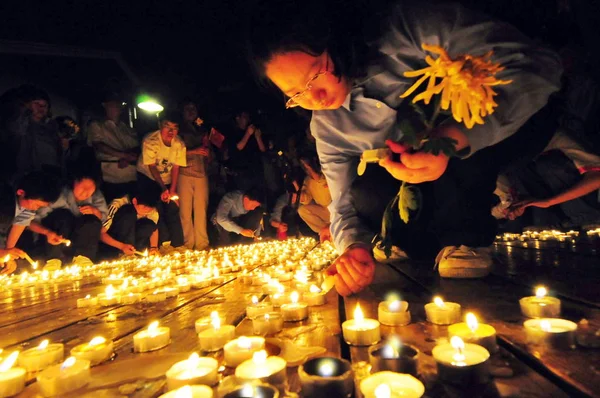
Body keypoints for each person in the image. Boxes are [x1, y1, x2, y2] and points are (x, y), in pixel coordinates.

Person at [248, 0, 562, 295]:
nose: (316, 98)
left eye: (316, 74)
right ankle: (414, 243)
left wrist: (455, 137)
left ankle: (465, 239)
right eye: (296, 94)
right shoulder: (328, 127)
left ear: (332, 39)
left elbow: (539, 67)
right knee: (366, 191)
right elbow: (341, 201)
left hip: (513, 125)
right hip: (421, 180)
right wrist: (353, 248)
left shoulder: (408, 30)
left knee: (446, 129)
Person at [500, 130, 600, 226]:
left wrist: (548, 202)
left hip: (588, 214)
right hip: (554, 218)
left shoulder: (556, 138)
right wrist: (520, 204)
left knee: (547, 163)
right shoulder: (513, 155)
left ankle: (586, 221)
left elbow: (596, 178)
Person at [35, 168, 108, 265]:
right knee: (62, 215)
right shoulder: (59, 195)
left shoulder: (96, 197)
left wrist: (95, 212)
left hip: (80, 242)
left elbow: (103, 222)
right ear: (74, 182)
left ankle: (83, 259)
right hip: (56, 240)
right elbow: (35, 219)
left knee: (91, 220)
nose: (85, 192)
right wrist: (47, 232)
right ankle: (54, 260)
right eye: (83, 187)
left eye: (90, 189)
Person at [136, 111, 185, 248]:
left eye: (174, 128)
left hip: (168, 178)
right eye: (167, 126)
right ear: (159, 125)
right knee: (157, 209)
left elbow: (176, 167)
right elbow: (151, 166)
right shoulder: (150, 140)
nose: (171, 131)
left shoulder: (179, 144)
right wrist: (163, 189)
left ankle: (178, 245)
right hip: (148, 177)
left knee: (172, 207)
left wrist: (172, 190)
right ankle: (161, 244)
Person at [0, 172, 61, 274]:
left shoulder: (26, 207)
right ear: (21, 192)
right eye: (36, 204)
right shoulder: (4, 204)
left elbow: (19, 227)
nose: (35, 208)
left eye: (39, 207)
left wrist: (8, 255)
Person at [88, 93, 139, 201]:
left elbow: (136, 147)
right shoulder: (97, 125)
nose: (114, 108)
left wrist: (128, 157)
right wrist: (124, 155)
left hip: (130, 175)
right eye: (111, 105)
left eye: (116, 105)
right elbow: (98, 145)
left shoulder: (128, 129)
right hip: (110, 177)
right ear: (105, 106)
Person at [5, 85, 62, 177]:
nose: (41, 108)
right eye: (37, 104)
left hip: (50, 177)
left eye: (45, 105)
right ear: (28, 105)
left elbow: (59, 157)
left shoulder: (52, 129)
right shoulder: (19, 125)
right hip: (25, 177)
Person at [177, 100, 211, 250]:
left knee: (201, 210)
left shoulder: (202, 128)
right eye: (188, 108)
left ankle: (202, 243)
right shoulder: (178, 129)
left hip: (201, 172)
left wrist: (207, 151)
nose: (191, 111)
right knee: (185, 210)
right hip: (184, 172)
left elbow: (209, 154)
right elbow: (174, 154)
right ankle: (188, 243)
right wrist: (194, 151)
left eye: (193, 108)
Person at [100, 185, 161, 258]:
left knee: (148, 224)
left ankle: (134, 252)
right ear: (135, 201)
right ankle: (123, 254)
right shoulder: (117, 205)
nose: (146, 211)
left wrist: (153, 247)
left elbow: (153, 228)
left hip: (134, 244)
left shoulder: (152, 211)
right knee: (129, 212)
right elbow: (101, 234)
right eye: (144, 207)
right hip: (115, 243)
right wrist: (122, 246)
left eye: (149, 209)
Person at [224, 110, 266, 191]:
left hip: (256, 172)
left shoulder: (252, 133)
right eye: (244, 117)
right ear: (237, 118)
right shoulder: (232, 133)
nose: (247, 119)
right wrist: (247, 134)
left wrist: (258, 137)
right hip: (242, 174)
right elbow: (236, 149)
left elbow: (263, 150)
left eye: (248, 117)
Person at [297, 153, 332, 242]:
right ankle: (324, 232)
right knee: (302, 210)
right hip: (324, 211)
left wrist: (311, 169)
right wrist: (298, 193)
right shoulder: (307, 180)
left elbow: (320, 180)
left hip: (335, 209)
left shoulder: (326, 174)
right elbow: (306, 199)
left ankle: (331, 230)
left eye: (306, 164)